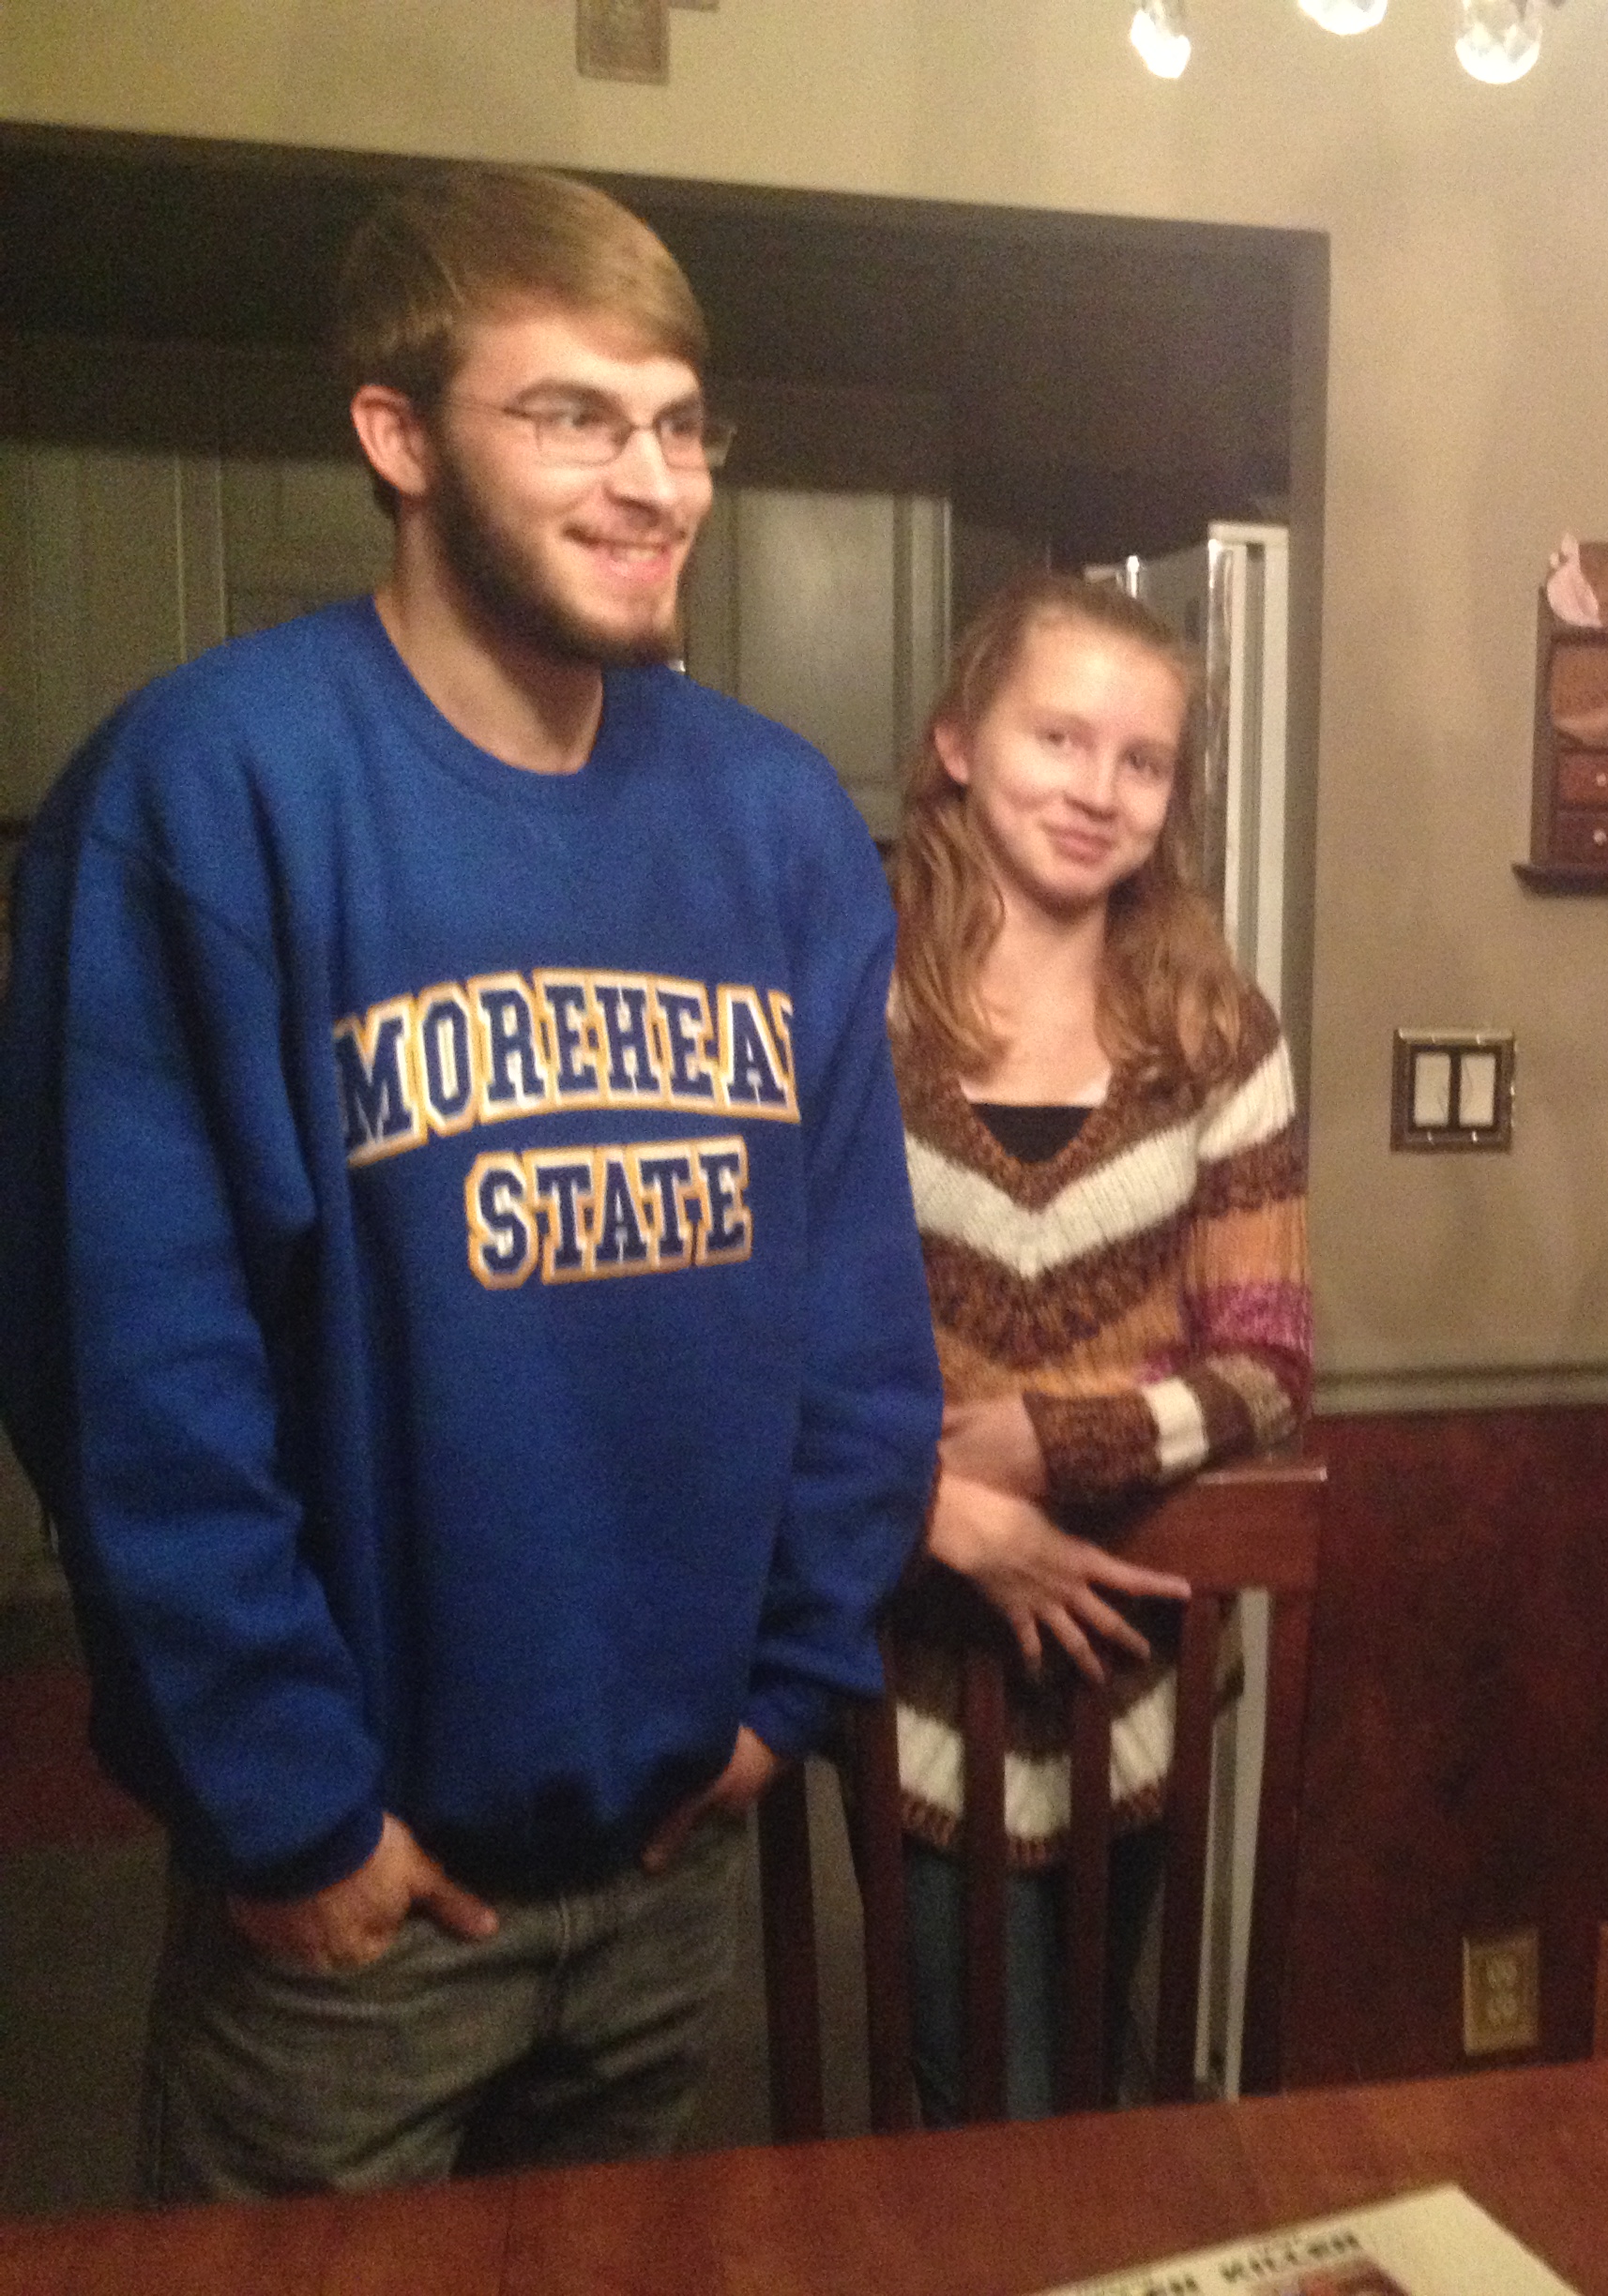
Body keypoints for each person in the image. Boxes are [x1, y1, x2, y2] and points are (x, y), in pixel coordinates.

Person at [0, 165, 941, 2196]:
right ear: (399, 436)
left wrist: (784, 1694)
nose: (655, 481)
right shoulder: (209, 792)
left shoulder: (780, 822)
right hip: (355, 1916)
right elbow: (134, 1383)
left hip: (673, 1866)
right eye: (574, 417)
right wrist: (294, 1815)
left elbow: (862, 1332)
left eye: (680, 423)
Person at [879, 571, 1310, 2119]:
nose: (1096, 789)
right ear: (958, 742)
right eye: (1056, 737)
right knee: (971, 2099)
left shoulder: (1217, 1033)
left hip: (1142, 1676)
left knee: (1091, 2082)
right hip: (911, 1668)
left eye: (1142, 761)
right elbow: (774, 1344)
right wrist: (928, 1496)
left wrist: (1053, 1445)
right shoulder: (848, 1008)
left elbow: (1269, 1362)